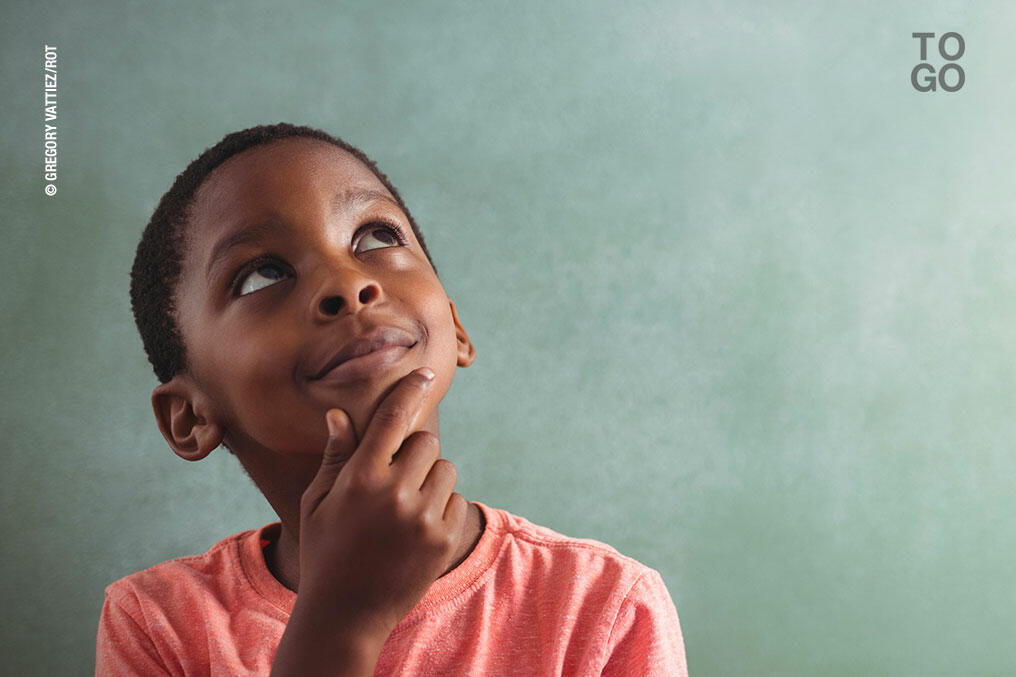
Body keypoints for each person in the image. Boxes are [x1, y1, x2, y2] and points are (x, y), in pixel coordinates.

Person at [96, 123, 688, 676]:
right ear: (190, 416)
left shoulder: (604, 605)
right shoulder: (158, 626)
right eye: (263, 275)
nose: (348, 285)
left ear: (455, 328)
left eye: (376, 236)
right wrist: (340, 622)